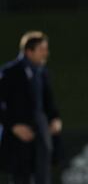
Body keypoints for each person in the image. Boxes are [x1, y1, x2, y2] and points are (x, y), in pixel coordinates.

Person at [0, 31, 62, 184]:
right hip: (18, 140)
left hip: (41, 135)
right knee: (21, 178)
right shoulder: (9, 73)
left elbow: (48, 102)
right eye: (42, 49)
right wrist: (13, 126)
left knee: (43, 176)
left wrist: (55, 119)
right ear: (29, 51)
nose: (46, 53)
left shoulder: (42, 73)